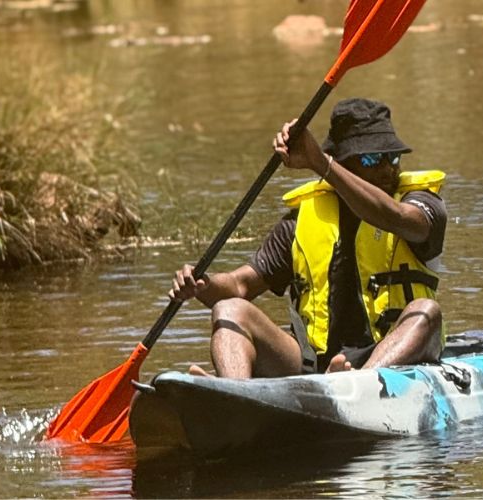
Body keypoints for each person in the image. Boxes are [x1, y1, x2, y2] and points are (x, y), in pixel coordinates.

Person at [168, 98, 448, 378]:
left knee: (426, 311)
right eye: (371, 159)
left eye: (393, 157)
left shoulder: (422, 203)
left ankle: (356, 382)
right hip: (316, 366)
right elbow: (240, 286)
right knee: (229, 309)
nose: (388, 168)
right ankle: (233, 395)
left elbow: (397, 218)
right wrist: (202, 284)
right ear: (344, 163)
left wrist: (320, 163)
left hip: (388, 360)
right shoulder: (300, 222)